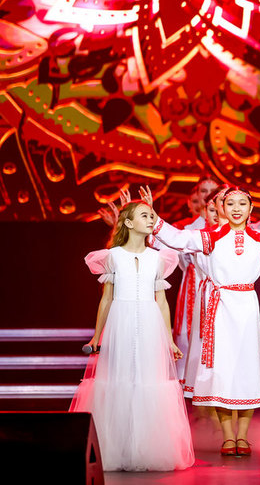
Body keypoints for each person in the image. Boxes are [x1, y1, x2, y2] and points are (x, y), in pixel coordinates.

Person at [140, 185, 260, 456]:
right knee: (221, 371)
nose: (236, 209)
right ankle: (228, 436)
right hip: (218, 308)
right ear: (222, 208)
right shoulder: (210, 237)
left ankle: (243, 436)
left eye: (242, 204)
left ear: (251, 208)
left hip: (246, 307)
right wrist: (153, 215)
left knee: (247, 370)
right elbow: (177, 238)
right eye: (230, 204)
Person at [71, 201, 194, 471]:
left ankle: (147, 449)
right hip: (121, 321)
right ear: (128, 223)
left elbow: (162, 302)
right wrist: (96, 336)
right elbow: (106, 299)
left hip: (149, 323)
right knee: (120, 380)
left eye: (152, 215)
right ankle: (119, 448)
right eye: (144, 215)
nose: (151, 219)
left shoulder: (158, 258)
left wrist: (169, 339)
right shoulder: (113, 256)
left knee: (148, 382)